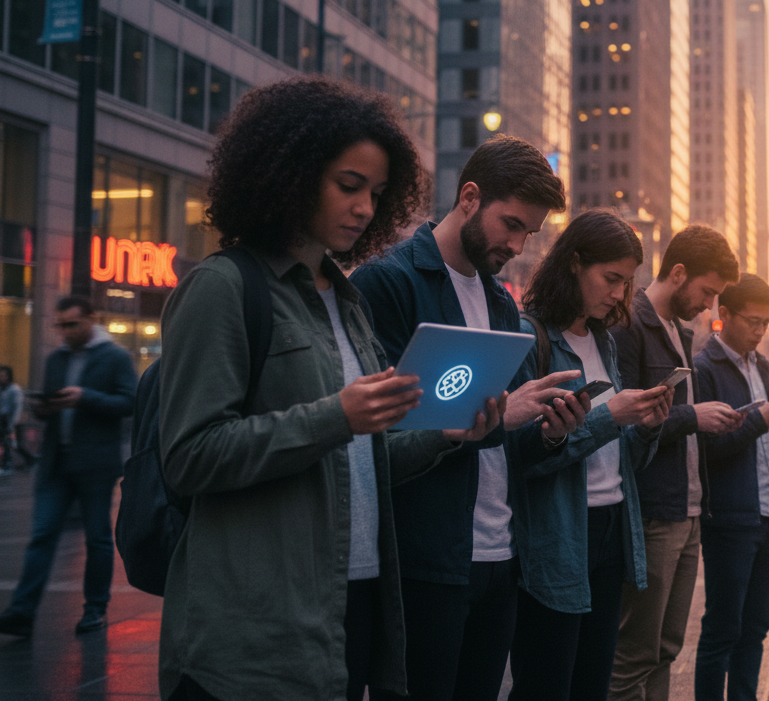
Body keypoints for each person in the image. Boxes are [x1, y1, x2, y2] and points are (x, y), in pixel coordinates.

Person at [148, 78, 504, 700]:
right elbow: (188, 457)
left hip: (353, 608)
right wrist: (333, 416)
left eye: (377, 192)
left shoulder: (348, 299)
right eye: (348, 185)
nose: (365, 207)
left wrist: (445, 436)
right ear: (290, 173)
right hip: (257, 627)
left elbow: (359, 463)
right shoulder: (223, 287)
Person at [352, 134, 589, 700]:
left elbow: (505, 442)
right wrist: (488, 421)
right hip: (424, 560)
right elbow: (373, 440)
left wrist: (549, 432)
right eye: (511, 224)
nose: (518, 243)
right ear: (469, 197)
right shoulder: (388, 282)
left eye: (529, 233)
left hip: (499, 557)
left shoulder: (504, 303)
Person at [508, 209, 674, 699]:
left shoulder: (604, 340)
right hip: (559, 529)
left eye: (627, 283)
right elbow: (521, 452)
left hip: (611, 525)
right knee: (547, 681)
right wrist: (609, 417)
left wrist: (645, 426)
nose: (619, 294)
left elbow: (623, 459)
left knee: (594, 681)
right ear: (574, 264)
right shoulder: (529, 335)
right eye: (611, 279)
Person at [609, 225, 742, 701]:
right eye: (707, 293)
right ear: (679, 273)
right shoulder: (629, 325)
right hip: (652, 511)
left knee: (666, 647)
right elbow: (623, 421)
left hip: (686, 512)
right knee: (634, 652)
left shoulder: (680, 334)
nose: (708, 306)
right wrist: (692, 416)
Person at [692, 275, 769, 700]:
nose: (760, 331)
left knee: (756, 627)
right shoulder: (705, 370)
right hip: (730, 518)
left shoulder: (766, 368)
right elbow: (707, 449)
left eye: (766, 323)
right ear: (724, 316)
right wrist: (760, 420)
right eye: (753, 321)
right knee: (723, 627)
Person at [0, 297, 135, 639]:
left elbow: (130, 402)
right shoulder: (56, 358)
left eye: (72, 324)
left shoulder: (115, 356)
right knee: (41, 536)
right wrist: (45, 409)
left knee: (98, 538)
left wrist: (84, 397)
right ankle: (22, 612)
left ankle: (95, 609)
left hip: (95, 464)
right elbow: (51, 400)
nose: (65, 332)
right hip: (56, 462)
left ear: (91, 319)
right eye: (60, 325)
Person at [0, 365, 36, 473]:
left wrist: (13, 423)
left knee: (14, 444)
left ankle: (30, 459)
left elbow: (17, 407)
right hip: (3, 419)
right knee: (7, 443)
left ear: (9, 376)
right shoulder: (2, 389)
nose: (1, 378)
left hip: (13, 421)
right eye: (0, 375)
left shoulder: (14, 389)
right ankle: (8, 464)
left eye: (3, 376)